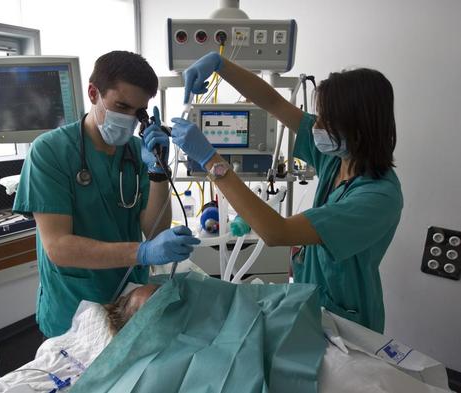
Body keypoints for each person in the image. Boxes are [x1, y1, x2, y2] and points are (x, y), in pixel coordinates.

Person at [171, 52, 403, 333]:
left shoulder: (378, 198)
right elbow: (273, 103)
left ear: (358, 129)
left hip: (348, 318)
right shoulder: (339, 159)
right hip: (311, 296)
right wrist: (221, 65)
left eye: (326, 120)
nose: (315, 126)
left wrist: (211, 161)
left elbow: (275, 232)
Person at [13, 51, 199, 338]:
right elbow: (59, 248)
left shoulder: (139, 152)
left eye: (137, 112)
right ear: (93, 93)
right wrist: (143, 252)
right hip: (73, 307)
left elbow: (154, 230)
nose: (128, 119)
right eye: (121, 106)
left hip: (131, 300)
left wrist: (159, 172)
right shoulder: (49, 152)